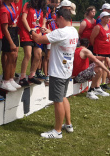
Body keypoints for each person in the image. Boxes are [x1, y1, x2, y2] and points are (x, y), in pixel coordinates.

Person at [31, 8, 78, 139]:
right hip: (67, 69)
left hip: (58, 72)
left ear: (61, 17)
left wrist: (32, 31)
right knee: (63, 97)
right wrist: (50, 32)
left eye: (56, 19)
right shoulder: (73, 30)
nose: (55, 21)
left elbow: (39, 40)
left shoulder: (60, 32)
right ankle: (68, 124)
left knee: (57, 101)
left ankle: (57, 131)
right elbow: (59, 37)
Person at [18, 0, 47, 86]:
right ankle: (22, 77)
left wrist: (43, 26)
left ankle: (31, 76)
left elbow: (44, 19)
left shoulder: (43, 7)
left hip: (37, 33)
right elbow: (23, 19)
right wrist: (30, 30)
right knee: (28, 54)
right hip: (27, 32)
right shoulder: (28, 4)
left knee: (38, 55)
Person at [0, 0, 21, 92]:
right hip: (8, 34)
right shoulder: (3, 9)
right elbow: (4, 28)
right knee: (9, 58)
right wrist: (11, 42)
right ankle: (5, 81)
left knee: (14, 57)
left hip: (14, 31)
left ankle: (11, 78)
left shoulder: (11, 5)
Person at [90, 12, 110, 91]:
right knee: (100, 67)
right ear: (101, 18)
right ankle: (97, 85)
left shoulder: (108, 26)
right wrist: (95, 46)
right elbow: (92, 38)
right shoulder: (98, 27)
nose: (107, 19)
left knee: (105, 66)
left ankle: (103, 83)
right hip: (100, 50)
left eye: (108, 17)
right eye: (106, 17)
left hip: (107, 50)